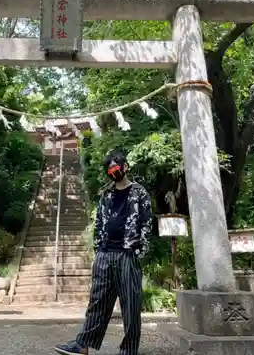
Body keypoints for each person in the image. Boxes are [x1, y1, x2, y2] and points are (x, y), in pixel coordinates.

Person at [54, 148, 153, 355]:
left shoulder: (139, 192)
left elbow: (147, 223)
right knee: (97, 301)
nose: (114, 171)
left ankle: (128, 350)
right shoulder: (106, 193)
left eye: (116, 167)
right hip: (105, 254)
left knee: (131, 305)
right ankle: (82, 345)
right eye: (110, 169)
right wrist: (98, 248)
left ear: (125, 167)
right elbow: (99, 222)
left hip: (128, 254)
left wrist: (138, 249)